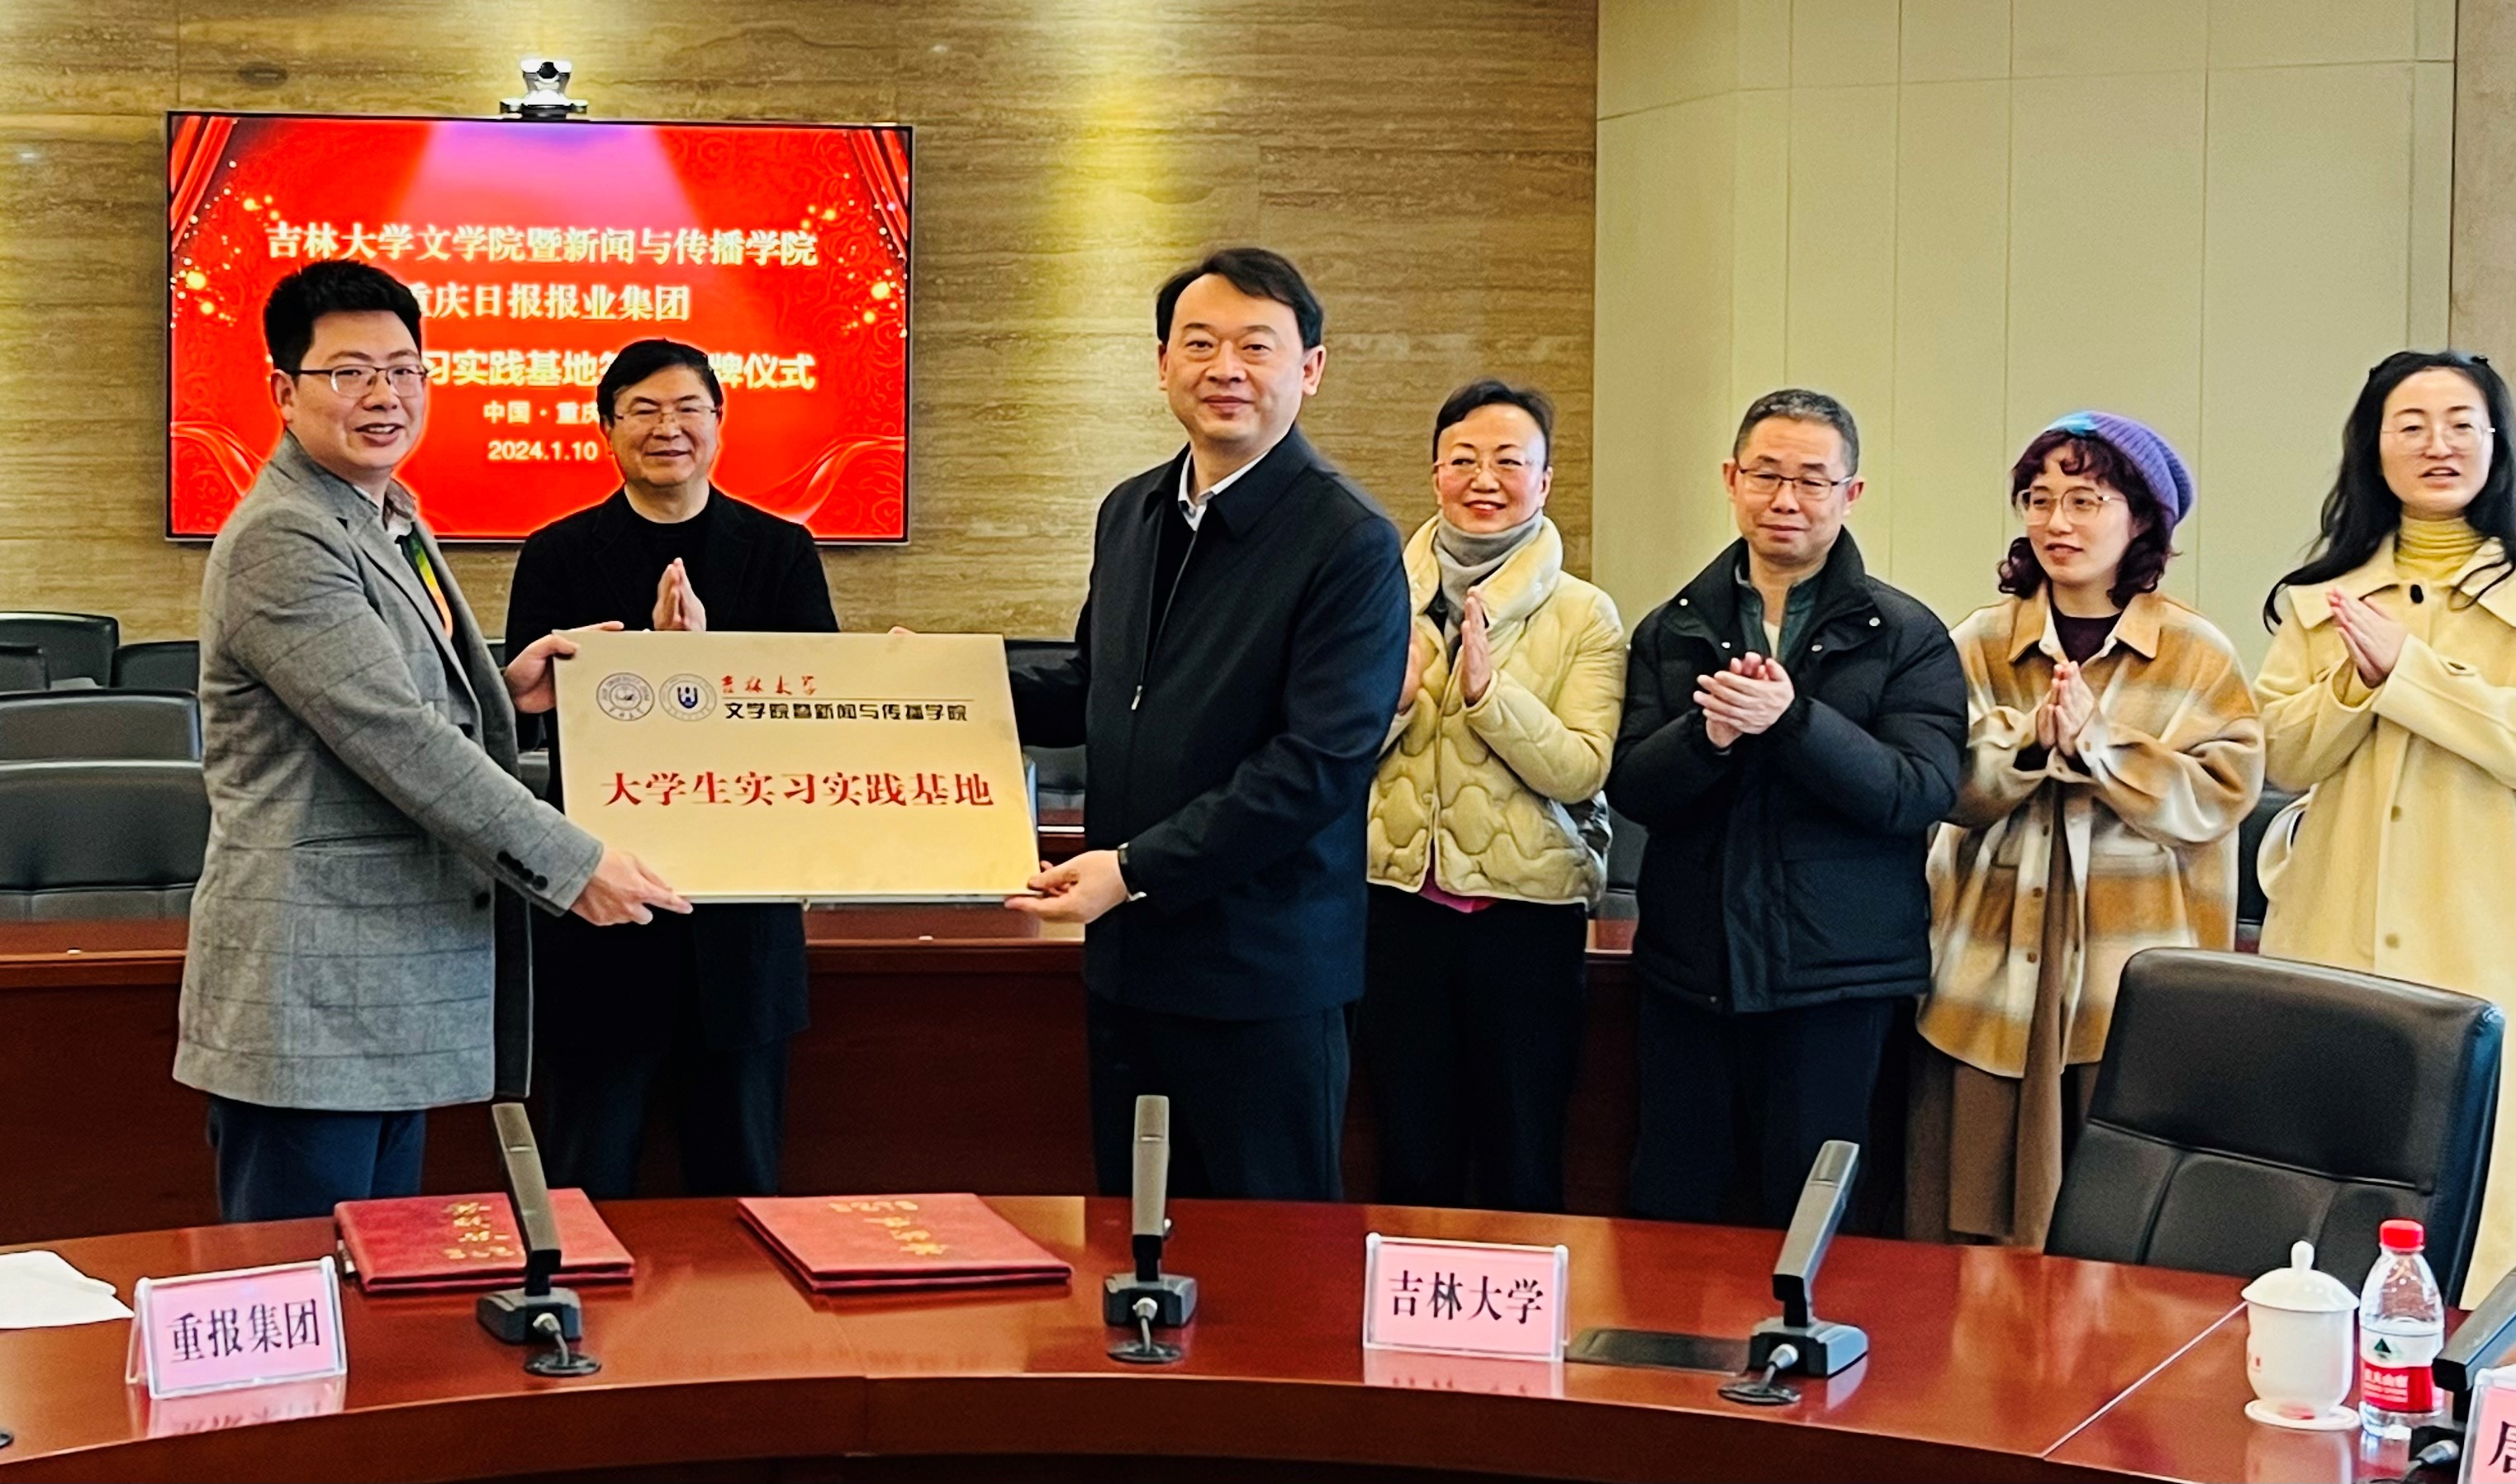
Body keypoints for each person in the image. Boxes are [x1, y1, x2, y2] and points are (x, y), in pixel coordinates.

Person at [176, 262, 689, 1222]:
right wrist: (573, 862)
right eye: (349, 372)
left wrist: (510, 692)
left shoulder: (384, 513)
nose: (385, 396)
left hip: (385, 983)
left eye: (405, 370)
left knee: (375, 1279)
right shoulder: (285, 535)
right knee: (303, 1280)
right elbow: (395, 737)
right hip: (314, 989)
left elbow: (399, 696)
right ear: (284, 391)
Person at [1006, 247, 1409, 1202]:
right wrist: (946, 685)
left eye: (1255, 346)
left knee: (1267, 1257)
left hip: (1260, 978)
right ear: (1161, 364)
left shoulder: (1349, 540)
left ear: (1310, 368)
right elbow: (1097, 686)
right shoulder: (1132, 511)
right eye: (1199, 343)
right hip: (1129, 967)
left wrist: (1132, 869)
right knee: (1131, 1236)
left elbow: (1317, 764)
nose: (1225, 368)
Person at [1606, 387, 1963, 1227]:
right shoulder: (1673, 628)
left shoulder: (1904, 633)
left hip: (1834, 980)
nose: (1785, 499)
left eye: (1811, 479)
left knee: (1811, 1221)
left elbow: (1919, 789)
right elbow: (1631, 789)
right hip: (1691, 971)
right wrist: (1709, 737)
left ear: (1851, 493)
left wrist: (1794, 720)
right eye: (1765, 475)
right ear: (1731, 479)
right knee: (1674, 1209)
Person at [1911, 412, 2262, 1249]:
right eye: (2038, 500)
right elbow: (1936, 780)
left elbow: (2220, 795)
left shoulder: (2194, 652)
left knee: (2116, 1228)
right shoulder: (1978, 642)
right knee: (1971, 1220)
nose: (2056, 522)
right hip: (1990, 973)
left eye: (2084, 500)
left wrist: (2102, 747)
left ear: (2139, 519)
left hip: (2127, 969)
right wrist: (2032, 743)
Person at [505, 339, 838, 1200]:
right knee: (588, 1184)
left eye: (689, 408)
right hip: (602, 911)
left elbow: (811, 720)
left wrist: (700, 665)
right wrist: (651, 666)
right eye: (644, 410)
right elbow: (532, 717)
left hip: (742, 920)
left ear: (720, 423)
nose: (669, 428)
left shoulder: (780, 551)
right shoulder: (557, 554)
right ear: (606, 429)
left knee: (742, 1189)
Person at [2256, 348, 2516, 1304]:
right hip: (2333, 927)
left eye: (2460, 423)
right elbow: (2282, 755)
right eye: (2410, 425)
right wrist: (2353, 681)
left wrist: (2411, 673)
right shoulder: (2322, 597)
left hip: (2484, 932)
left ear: (2496, 442)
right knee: (2329, 1178)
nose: (2436, 444)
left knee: (2484, 1197)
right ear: (2373, 446)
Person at [1360, 378, 1625, 1212]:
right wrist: (1395, 702)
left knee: (1522, 1154)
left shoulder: (1585, 614)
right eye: (1463, 460)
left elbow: (1582, 767)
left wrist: (1488, 696)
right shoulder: (1373, 597)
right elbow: (1319, 757)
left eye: (1509, 462)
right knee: (1410, 1154)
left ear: (1543, 480)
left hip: (1525, 922)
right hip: (1394, 910)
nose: (1484, 479)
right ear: (1434, 474)